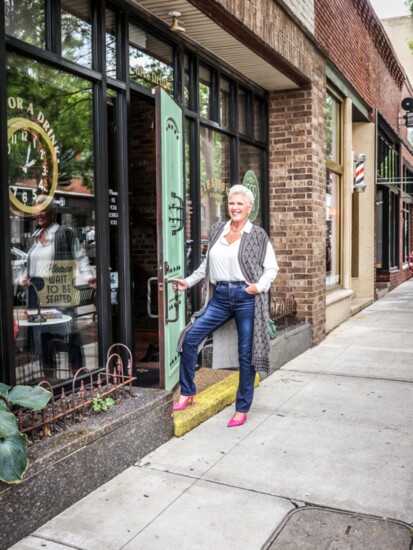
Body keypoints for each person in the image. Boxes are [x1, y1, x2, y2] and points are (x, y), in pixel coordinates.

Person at [172, 184, 278, 427]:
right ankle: (188, 391)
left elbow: (272, 268)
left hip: (245, 296)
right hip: (220, 297)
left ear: (250, 208)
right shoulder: (218, 229)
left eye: (240, 203)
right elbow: (206, 266)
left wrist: (257, 287)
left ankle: (242, 407)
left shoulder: (258, 235)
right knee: (190, 337)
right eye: (232, 203)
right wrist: (187, 282)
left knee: (246, 354)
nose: (235, 207)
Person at [20, 196, 96, 375]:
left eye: (43, 209)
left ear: (53, 211)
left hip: (58, 289)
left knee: (70, 337)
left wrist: (88, 277)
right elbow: (28, 265)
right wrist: (24, 278)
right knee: (44, 340)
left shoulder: (65, 233)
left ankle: (79, 379)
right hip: (37, 294)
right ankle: (49, 381)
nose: (38, 214)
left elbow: (80, 258)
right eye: (35, 210)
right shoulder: (34, 237)